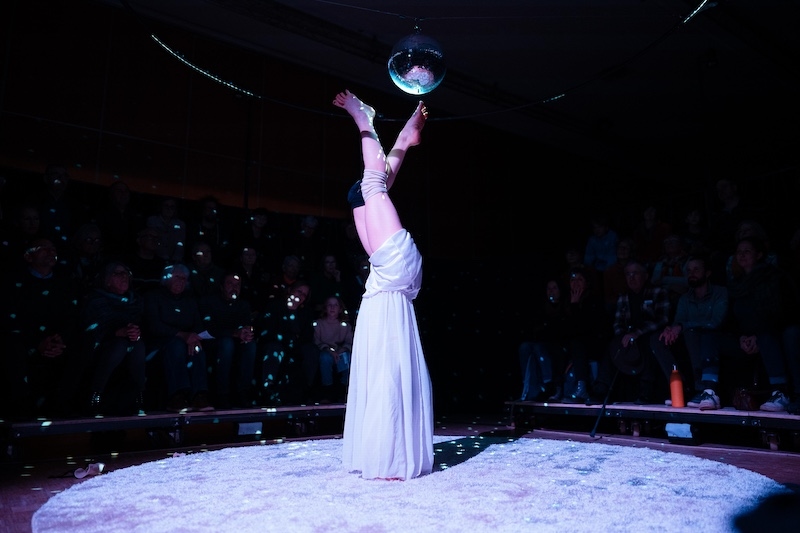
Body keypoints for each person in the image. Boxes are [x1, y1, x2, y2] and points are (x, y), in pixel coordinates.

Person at [333, 89, 433, 480]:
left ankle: (364, 118)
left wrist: (375, 124)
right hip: (388, 269)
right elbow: (387, 166)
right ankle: (390, 129)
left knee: (374, 183)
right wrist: (407, 136)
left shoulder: (371, 197)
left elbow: (381, 171)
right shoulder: (370, 198)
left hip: (393, 264)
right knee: (375, 183)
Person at [0, 238, 79, 419]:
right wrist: (37, 343)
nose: (51, 252)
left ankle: (62, 405)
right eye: (43, 248)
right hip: (25, 340)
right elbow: (10, 318)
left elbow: (72, 317)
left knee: (83, 344)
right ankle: (22, 408)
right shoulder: (14, 283)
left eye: (53, 249)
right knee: (11, 345)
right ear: (29, 256)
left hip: (56, 340)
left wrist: (60, 340)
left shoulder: (65, 283)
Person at [586, 260, 670, 405]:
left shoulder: (658, 292)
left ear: (645, 275)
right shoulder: (624, 296)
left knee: (650, 344)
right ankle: (601, 389)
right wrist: (622, 336)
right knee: (612, 346)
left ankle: (646, 392)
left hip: (649, 335)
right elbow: (618, 322)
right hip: (629, 337)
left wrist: (637, 333)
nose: (631, 277)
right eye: (628, 274)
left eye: (635, 273)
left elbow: (662, 319)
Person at [654, 255, 728, 410]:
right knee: (659, 339)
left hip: (716, 339)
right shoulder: (685, 299)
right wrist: (671, 330)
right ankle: (679, 387)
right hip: (690, 339)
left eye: (696, 270)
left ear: (707, 273)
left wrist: (682, 326)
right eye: (688, 270)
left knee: (694, 332)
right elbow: (678, 321)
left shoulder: (720, 293)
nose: (691, 274)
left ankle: (703, 390)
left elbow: (715, 322)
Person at [75, 261, 147, 415]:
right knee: (119, 345)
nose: (124, 276)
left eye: (125, 273)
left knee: (137, 344)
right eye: (117, 273)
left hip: (128, 344)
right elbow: (89, 329)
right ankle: (95, 395)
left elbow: (141, 324)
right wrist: (115, 332)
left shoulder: (135, 301)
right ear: (107, 280)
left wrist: (134, 331)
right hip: (99, 346)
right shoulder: (95, 300)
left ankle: (138, 396)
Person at [143, 264, 213, 413]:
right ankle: (177, 396)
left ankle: (199, 395)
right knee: (176, 346)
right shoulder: (153, 296)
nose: (180, 281)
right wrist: (182, 335)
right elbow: (154, 326)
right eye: (177, 277)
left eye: (183, 278)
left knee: (197, 348)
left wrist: (194, 337)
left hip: (186, 341)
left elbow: (198, 325)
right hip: (159, 344)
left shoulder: (189, 300)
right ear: (166, 278)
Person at [199, 272, 257, 409]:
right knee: (227, 344)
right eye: (230, 284)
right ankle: (222, 394)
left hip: (235, 341)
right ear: (221, 286)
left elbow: (246, 324)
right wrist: (234, 333)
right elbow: (207, 328)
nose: (234, 287)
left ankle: (243, 392)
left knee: (250, 344)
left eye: (237, 285)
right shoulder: (209, 302)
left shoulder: (243, 305)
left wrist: (247, 332)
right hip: (212, 341)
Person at [258, 280, 316, 405]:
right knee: (275, 350)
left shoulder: (305, 312)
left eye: (304, 295)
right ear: (290, 290)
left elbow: (307, 336)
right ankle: (268, 389)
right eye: (299, 291)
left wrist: (294, 313)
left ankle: (307, 392)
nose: (300, 296)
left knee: (310, 351)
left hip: (296, 347)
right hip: (275, 345)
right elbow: (267, 331)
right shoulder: (275, 306)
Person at [517, 279, 569, 402]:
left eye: (554, 288)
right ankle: (530, 389)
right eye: (548, 288)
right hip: (542, 341)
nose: (551, 291)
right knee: (524, 347)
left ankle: (549, 384)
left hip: (559, 342)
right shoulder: (542, 307)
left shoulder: (565, 306)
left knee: (539, 348)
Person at [313, 295, 354, 403]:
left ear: (340, 309)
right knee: (325, 358)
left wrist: (341, 350)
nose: (332, 308)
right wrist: (329, 350)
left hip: (340, 351)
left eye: (335, 305)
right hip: (326, 351)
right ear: (325, 308)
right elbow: (317, 341)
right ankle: (328, 390)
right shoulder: (319, 323)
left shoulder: (345, 325)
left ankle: (343, 390)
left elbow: (349, 341)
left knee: (347, 358)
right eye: (329, 305)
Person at [146, 196, 187, 263]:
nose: (169, 209)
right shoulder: (152, 221)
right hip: (154, 258)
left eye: (172, 207)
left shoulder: (181, 224)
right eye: (166, 206)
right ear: (161, 207)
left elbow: (181, 242)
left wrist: (176, 259)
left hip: (174, 260)